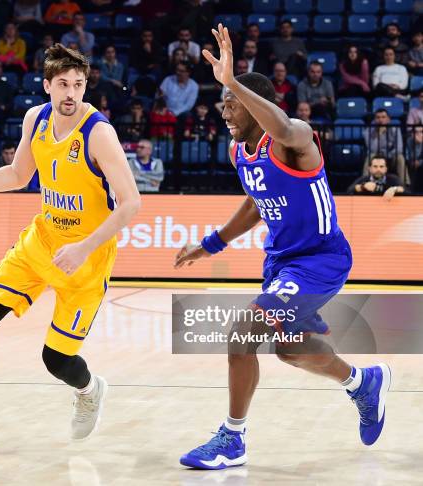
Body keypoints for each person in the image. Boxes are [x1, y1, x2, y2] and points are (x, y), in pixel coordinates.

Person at [175, 24, 390, 471]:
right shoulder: (240, 153)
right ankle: (362, 384)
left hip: (320, 260)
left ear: (256, 106)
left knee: (242, 334)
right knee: (290, 350)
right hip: (280, 264)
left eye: (231, 105)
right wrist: (210, 244)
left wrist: (233, 80)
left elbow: (284, 124)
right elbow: (256, 201)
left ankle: (232, 440)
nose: (225, 113)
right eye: (223, 106)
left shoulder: (296, 139)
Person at [0, 44, 141, 440]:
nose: (71, 93)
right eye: (63, 84)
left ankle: (90, 391)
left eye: (79, 84)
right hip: (41, 241)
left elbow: (131, 203)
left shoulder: (99, 133)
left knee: (55, 359)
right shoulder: (35, 119)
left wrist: (84, 247)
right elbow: (19, 175)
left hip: (86, 258)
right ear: (47, 86)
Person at [363, 108, 407, 185]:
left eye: (383, 117)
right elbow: (372, 149)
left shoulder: (395, 129)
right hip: (376, 158)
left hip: (391, 157)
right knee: (370, 157)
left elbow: (399, 148)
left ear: (388, 119)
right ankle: (365, 183)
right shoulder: (368, 131)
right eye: (378, 117)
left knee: (400, 158)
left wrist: (387, 155)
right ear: (375, 120)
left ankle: (403, 185)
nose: (381, 120)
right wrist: (378, 135)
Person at [406, 125, 423, 193]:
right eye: (416, 132)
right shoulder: (409, 141)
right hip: (412, 163)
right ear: (412, 133)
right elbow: (407, 155)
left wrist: (420, 162)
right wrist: (417, 144)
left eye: (421, 131)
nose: (419, 134)